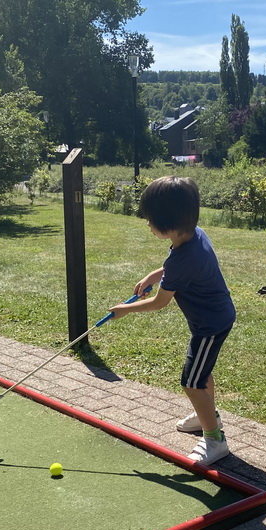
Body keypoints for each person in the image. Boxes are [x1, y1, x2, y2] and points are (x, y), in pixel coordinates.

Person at [109, 176, 236, 465]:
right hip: (216, 317)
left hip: (209, 325)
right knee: (201, 375)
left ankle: (215, 440)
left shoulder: (184, 259)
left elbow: (159, 302)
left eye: (150, 219)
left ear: (167, 222)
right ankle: (208, 414)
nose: (147, 223)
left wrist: (124, 310)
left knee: (192, 383)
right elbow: (170, 268)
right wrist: (153, 276)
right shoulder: (193, 235)